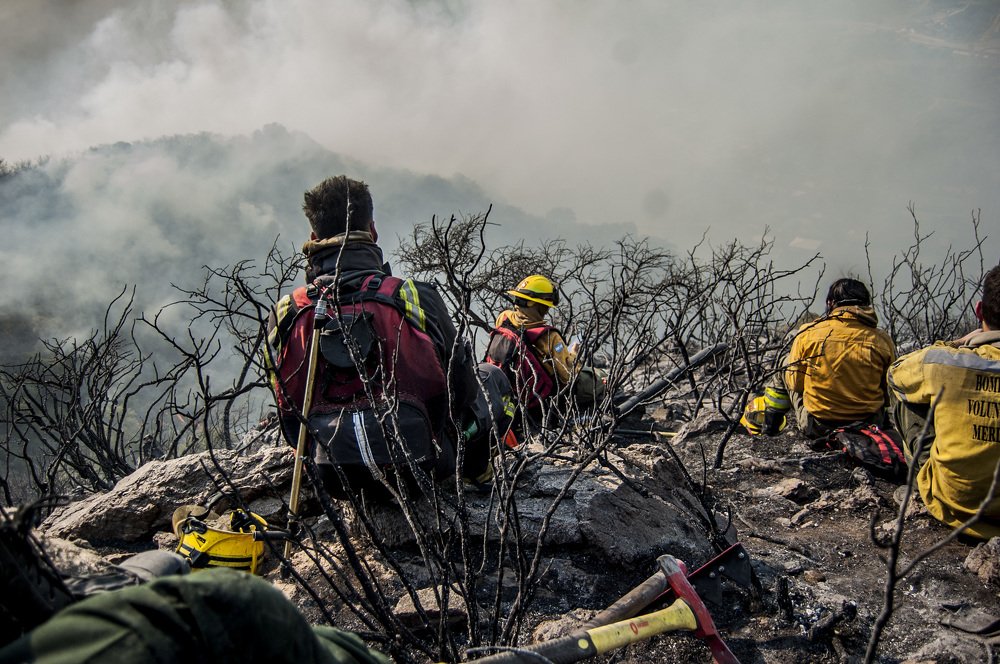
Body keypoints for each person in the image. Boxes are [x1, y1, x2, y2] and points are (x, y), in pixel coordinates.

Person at [267, 176, 488, 501]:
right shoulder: (413, 296)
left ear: (314, 238)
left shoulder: (288, 311)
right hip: (424, 467)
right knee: (490, 378)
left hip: (331, 476)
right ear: (372, 231)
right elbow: (462, 390)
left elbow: (287, 409)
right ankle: (479, 480)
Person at [887, 264, 1000, 540]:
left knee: (909, 393)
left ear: (979, 311)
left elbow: (895, 373)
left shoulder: (945, 362)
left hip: (953, 501)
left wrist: (957, 343)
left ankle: (926, 471)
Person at [747, 278, 896, 438]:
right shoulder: (882, 339)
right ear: (866, 305)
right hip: (869, 425)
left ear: (830, 303)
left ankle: (770, 429)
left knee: (785, 363)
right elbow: (889, 392)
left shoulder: (808, 333)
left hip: (818, 426)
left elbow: (795, 384)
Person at [484, 274, 605, 426]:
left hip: (507, 391)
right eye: (545, 306)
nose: (547, 309)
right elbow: (568, 377)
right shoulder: (549, 336)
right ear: (538, 306)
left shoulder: (504, 318)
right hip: (541, 401)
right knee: (600, 377)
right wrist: (573, 354)